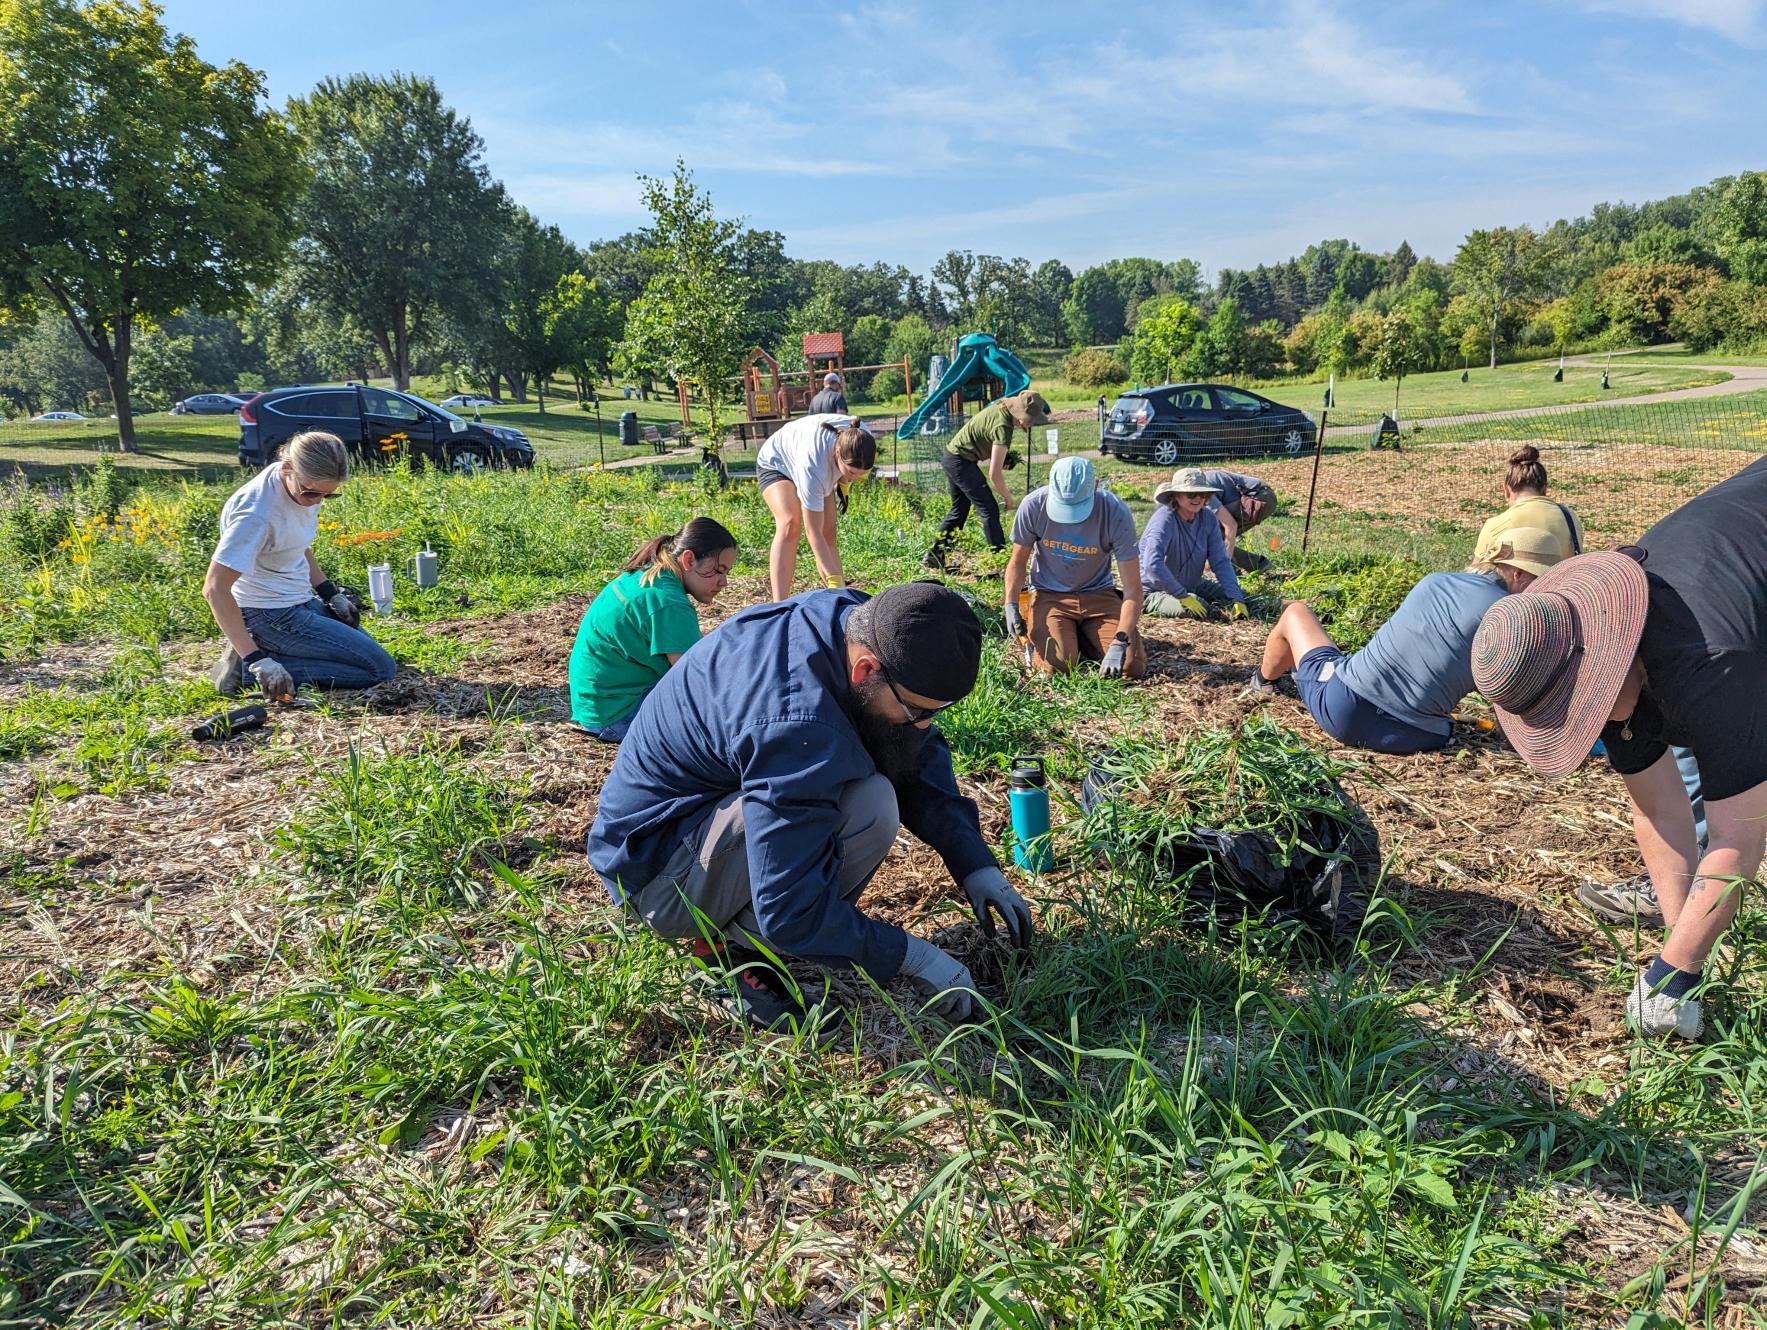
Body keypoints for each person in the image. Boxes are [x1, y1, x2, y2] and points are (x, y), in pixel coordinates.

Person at [587, 581, 1033, 1033]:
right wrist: (912, 956)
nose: (925, 723)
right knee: (870, 805)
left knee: (867, 786)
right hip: (659, 874)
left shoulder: (860, 622)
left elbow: (913, 746)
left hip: (705, 820)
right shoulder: (795, 724)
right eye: (918, 708)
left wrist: (973, 862)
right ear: (865, 671)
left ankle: (742, 932)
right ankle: (727, 955)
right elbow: (789, 911)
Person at [1471, 459, 1767, 1040]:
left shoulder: (1709, 661)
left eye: (1582, 709)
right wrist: (1682, 935)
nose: (1589, 724)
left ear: (1607, 659)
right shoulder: (1592, 649)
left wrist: (1675, 973)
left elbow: (1742, 836)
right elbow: (1658, 809)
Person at [1245, 529, 1563, 754]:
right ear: (1519, 575)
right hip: (1422, 736)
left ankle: (1263, 680)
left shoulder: (1436, 582)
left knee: (1297, 612)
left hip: (1348, 713)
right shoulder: (1518, 625)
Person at [203, 430, 396, 698]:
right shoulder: (255, 516)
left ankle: (268, 649)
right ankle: (246, 669)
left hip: (299, 601)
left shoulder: (299, 484)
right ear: (287, 469)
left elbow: (294, 543)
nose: (316, 502)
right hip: (269, 614)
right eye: (311, 494)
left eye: (328, 496)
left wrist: (329, 593)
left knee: (367, 652)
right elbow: (214, 589)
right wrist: (256, 661)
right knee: (380, 670)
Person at [567, 518, 737, 743]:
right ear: (689, 559)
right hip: (618, 716)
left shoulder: (648, 574)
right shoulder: (669, 602)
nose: (724, 582)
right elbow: (699, 682)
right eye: (718, 570)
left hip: (596, 706)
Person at [1004, 455, 1147, 679]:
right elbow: (1018, 561)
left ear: (1096, 486)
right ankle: (1071, 637)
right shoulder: (1034, 506)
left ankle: (1082, 636)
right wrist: (1010, 604)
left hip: (1098, 594)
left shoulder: (1115, 512)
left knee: (1131, 667)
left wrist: (1120, 640)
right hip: (1050, 595)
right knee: (1056, 668)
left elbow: (1133, 588)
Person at [921, 389, 1050, 571]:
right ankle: (999, 565)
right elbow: (994, 474)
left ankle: (934, 556)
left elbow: (985, 439)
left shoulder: (1001, 409)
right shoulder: (1003, 427)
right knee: (989, 509)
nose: (1030, 424)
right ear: (1020, 414)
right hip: (960, 461)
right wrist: (1008, 497)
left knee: (959, 510)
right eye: (1030, 420)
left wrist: (1004, 458)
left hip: (953, 456)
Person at [755, 413, 875, 601]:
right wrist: (833, 578)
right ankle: (778, 606)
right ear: (837, 454)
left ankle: (841, 598)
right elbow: (813, 533)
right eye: (851, 472)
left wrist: (845, 480)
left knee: (830, 532)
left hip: (816, 458)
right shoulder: (814, 467)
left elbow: (825, 534)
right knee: (790, 523)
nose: (855, 478)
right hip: (776, 462)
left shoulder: (862, 437)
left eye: (861, 474)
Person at [1139, 468, 1250, 620]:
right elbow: (1152, 565)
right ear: (1176, 495)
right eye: (1191, 494)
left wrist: (1237, 599)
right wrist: (1182, 595)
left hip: (1191, 585)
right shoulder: (1164, 520)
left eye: (1203, 494)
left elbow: (1220, 562)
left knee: (1241, 597)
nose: (1198, 498)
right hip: (1153, 591)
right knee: (1198, 608)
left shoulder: (1208, 518)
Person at [1472, 446, 1583, 565]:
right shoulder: (1569, 517)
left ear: (1507, 490)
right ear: (1545, 489)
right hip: (1565, 582)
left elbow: (1475, 575)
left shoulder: (1495, 525)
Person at [1194, 469, 1279, 573]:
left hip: (1260, 497)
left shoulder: (1199, 493)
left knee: (1210, 536)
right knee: (1209, 536)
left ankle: (1227, 569)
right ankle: (1258, 564)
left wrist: (1224, 564)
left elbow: (1231, 525)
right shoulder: (1191, 493)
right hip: (1259, 495)